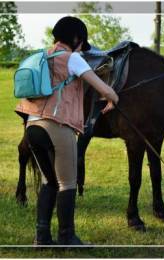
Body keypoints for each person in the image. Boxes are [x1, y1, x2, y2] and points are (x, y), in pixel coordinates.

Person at [15, 16, 119, 245]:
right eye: (82, 42)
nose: (82, 47)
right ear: (75, 38)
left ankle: (41, 237)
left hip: (32, 125)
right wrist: (113, 98)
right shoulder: (72, 58)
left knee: (48, 181)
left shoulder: (42, 55)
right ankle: (67, 237)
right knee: (67, 182)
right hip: (57, 125)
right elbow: (104, 89)